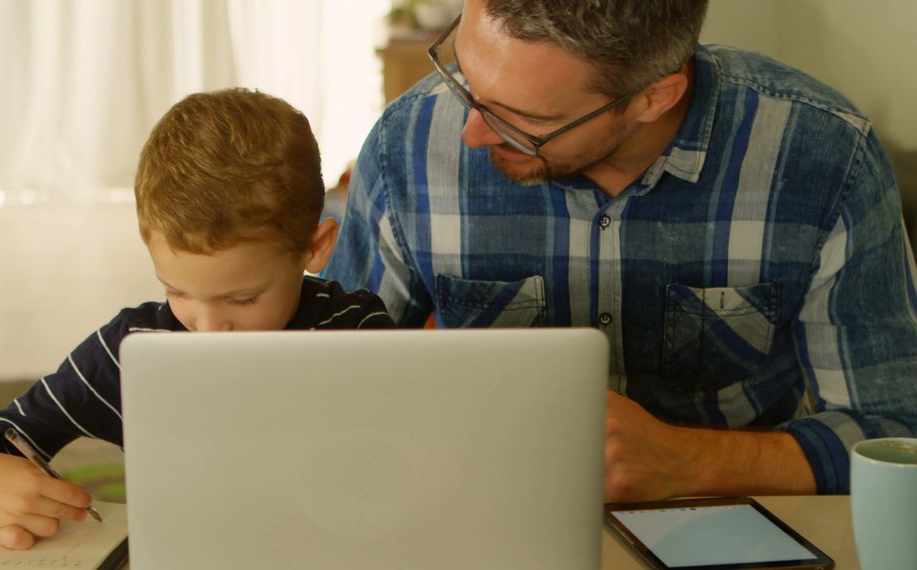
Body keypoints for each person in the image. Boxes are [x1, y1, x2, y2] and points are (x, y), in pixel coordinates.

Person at [324, 0, 917, 502]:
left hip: (728, 519)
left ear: (654, 98)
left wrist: (692, 462)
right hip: (472, 504)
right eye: (465, 77)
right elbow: (329, 391)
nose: (468, 133)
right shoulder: (406, 145)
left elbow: (895, 436)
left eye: (522, 120)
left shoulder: (823, 159)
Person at [0, 88, 395, 550]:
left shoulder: (356, 332)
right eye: (177, 291)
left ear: (314, 248)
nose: (209, 326)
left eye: (243, 298)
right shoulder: (132, 349)